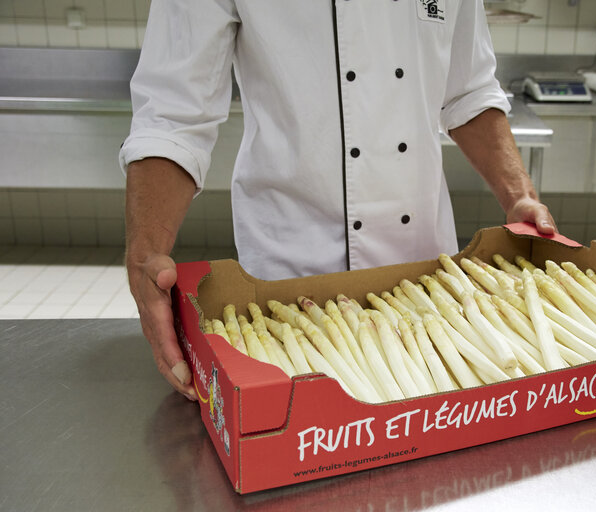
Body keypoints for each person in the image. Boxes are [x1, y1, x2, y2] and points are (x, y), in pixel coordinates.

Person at [120, 0, 557, 401]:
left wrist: (519, 196)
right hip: (288, 288)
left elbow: (469, 90)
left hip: (425, 286)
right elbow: (174, 113)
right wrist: (146, 254)